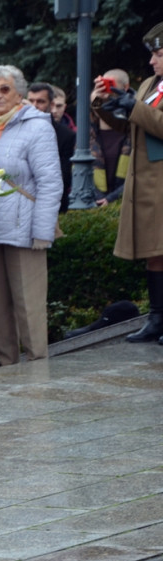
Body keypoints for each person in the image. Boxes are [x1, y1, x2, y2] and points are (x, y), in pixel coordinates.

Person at [0, 65, 62, 365]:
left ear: (19, 92)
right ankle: (7, 368)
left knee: (28, 307)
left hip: (24, 230)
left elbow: (50, 182)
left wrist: (42, 232)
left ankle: (36, 370)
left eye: (4, 89)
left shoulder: (38, 125)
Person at [91, 22, 163, 343]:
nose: (152, 62)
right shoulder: (151, 84)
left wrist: (133, 106)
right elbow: (128, 129)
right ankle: (158, 319)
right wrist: (105, 104)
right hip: (148, 185)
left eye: (159, 55)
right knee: (155, 253)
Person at [28, 82, 75, 213]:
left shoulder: (66, 135)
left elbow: (62, 177)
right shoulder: (15, 130)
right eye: (31, 101)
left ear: (51, 105)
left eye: (40, 102)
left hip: (51, 207)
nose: (34, 106)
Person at [90, 69, 131, 207]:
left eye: (110, 84)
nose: (106, 89)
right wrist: (96, 97)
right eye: (102, 84)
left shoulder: (130, 130)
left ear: (125, 87)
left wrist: (112, 198)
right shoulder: (89, 134)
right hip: (96, 204)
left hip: (124, 202)